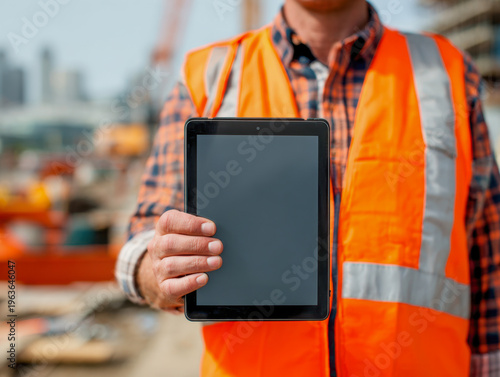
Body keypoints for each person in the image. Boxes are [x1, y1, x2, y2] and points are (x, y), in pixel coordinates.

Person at [115, 0, 500, 376]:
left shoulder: (447, 73)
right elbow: (145, 236)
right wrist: (159, 267)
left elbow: (488, 245)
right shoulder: (208, 76)